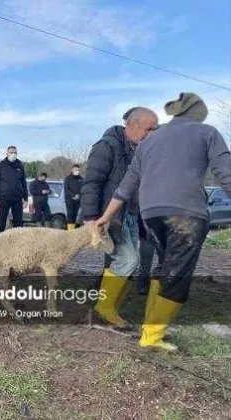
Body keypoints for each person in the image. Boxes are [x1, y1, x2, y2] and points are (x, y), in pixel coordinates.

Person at [95, 92, 231, 351]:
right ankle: (152, 337)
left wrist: (105, 216)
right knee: (177, 275)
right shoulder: (208, 132)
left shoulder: (151, 139)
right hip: (187, 214)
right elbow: (227, 174)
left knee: (166, 266)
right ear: (199, 113)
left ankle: (150, 329)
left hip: (151, 214)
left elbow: (127, 184)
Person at [80, 106, 158, 331]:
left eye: (155, 129)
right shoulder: (107, 147)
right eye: (149, 128)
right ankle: (103, 308)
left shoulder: (137, 149)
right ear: (131, 125)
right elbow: (92, 183)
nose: (152, 134)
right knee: (128, 260)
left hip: (131, 215)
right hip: (111, 216)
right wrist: (90, 218)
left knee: (126, 263)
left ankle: (107, 305)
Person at [0, 145, 28, 233]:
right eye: (11, 152)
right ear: (7, 153)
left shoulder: (20, 165)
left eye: (15, 152)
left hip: (17, 199)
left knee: (18, 224)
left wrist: (26, 199)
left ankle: (17, 244)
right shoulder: (0, 166)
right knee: (1, 223)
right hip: (4, 199)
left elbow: (24, 183)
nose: (13, 154)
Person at [63, 164, 84, 230]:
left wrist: (79, 195)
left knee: (75, 216)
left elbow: (83, 189)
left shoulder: (81, 179)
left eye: (78, 170)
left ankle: (74, 231)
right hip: (70, 200)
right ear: (72, 170)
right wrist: (73, 195)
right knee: (70, 215)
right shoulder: (67, 179)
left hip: (78, 200)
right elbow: (67, 190)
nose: (77, 171)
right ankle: (70, 231)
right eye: (75, 170)